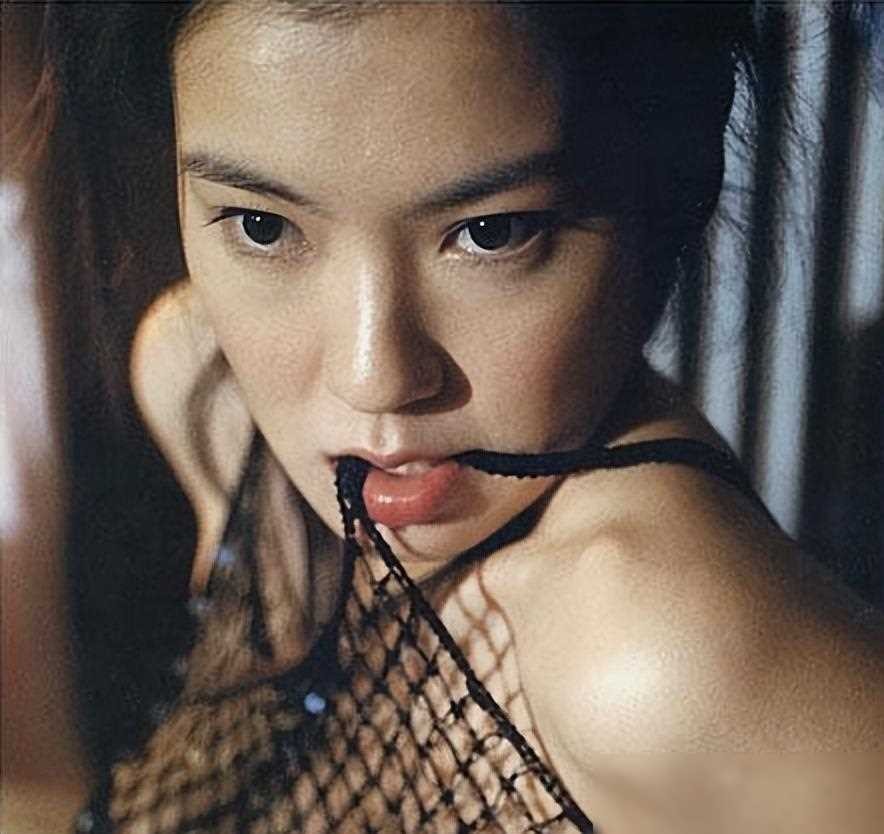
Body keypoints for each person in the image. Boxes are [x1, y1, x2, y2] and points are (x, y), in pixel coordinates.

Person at [12, 2, 884, 833]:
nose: (373, 379)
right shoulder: (206, 390)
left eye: (493, 233)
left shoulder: (659, 661)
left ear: (668, 197)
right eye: (262, 227)